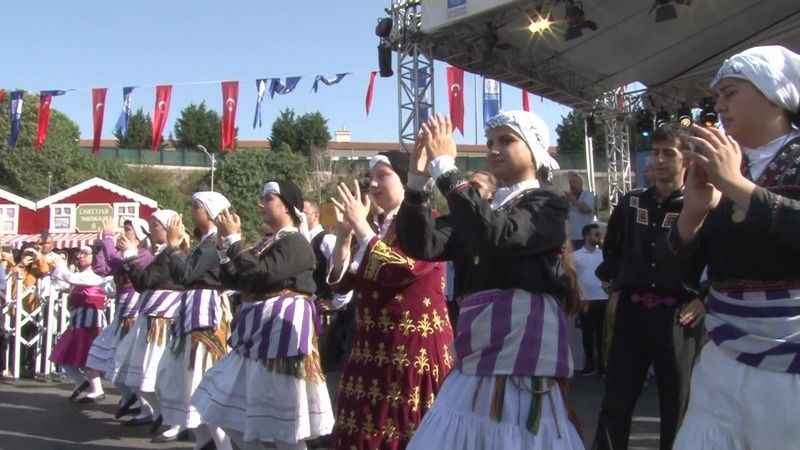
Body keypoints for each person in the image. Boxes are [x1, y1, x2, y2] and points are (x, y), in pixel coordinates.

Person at [397, 112, 583, 450]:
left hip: (520, 362)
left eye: (507, 140)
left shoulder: (547, 204)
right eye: (491, 142)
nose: (494, 149)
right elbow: (423, 243)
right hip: (477, 355)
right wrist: (417, 179)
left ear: (535, 150)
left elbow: (499, 236)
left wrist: (446, 169)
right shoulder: (484, 208)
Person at [671, 45, 800, 450]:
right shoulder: (726, 164)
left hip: (790, 365)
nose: (720, 107)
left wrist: (739, 188)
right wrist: (692, 214)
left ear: (773, 93)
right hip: (722, 355)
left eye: (730, 93)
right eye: (717, 97)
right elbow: (684, 274)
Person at [192, 179, 334, 450]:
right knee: (227, 408)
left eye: (268, 198)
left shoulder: (296, 242)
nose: (261, 204)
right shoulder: (268, 243)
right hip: (256, 334)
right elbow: (238, 279)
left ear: (288, 206)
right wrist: (226, 248)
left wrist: (234, 241)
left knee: (285, 423)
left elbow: (261, 273)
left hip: (281, 337)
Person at [328, 150, 454, 450]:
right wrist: (344, 237)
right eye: (369, 178)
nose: (372, 185)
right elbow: (344, 284)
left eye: (382, 176)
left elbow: (401, 269)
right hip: (371, 350)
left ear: (405, 180)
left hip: (410, 351)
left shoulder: (427, 223)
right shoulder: (377, 228)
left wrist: (361, 228)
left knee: (408, 432)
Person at [592, 126, 705, 450]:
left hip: (679, 316)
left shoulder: (699, 204)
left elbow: (718, 257)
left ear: (686, 158)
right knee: (616, 399)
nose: (658, 159)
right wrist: (614, 280)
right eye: (655, 152)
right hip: (632, 312)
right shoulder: (630, 202)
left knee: (677, 405)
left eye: (668, 152)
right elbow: (611, 248)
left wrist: (704, 298)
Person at [113, 209, 184, 430]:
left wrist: (132, 256)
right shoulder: (161, 253)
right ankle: (157, 412)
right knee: (135, 367)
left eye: (155, 226)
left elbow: (144, 281)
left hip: (162, 319)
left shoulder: (173, 254)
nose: (151, 230)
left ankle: (169, 417)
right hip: (149, 317)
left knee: (154, 370)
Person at [88, 217, 153, 419]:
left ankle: (146, 407)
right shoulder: (125, 253)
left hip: (134, 310)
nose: (124, 233)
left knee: (128, 360)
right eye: (123, 229)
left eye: (128, 229)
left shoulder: (144, 254)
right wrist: (101, 246)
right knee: (106, 356)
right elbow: (103, 269)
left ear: (140, 235)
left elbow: (118, 262)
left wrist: (108, 238)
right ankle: (130, 399)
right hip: (121, 310)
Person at [49, 246, 113, 403]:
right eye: (79, 254)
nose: (80, 256)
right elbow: (63, 284)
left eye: (85, 254)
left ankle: (97, 389)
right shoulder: (79, 276)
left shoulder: (96, 277)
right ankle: (81, 383)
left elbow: (70, 278)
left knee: (87, 355)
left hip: (91, 322)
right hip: (77, 320)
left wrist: (59, 264)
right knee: (63, 354)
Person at [573, 223, 607, 376]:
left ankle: (602, 365)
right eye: (596, 234)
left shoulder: (604, 255)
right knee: (587, 334)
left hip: (603, 299)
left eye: (599, 234)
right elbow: (572, 279)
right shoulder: (575, 256)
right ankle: (589, 364)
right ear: (586, 236)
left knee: (602, 335)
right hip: (585, 300)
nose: (598, 237)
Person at [566, 171, 595, 249]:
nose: (572, 185)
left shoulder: (588, 194)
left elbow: (586, 209)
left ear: (581, 184)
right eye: (570, 182)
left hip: (583, 237)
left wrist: (573, 200)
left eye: (574, 182)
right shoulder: (568, 198)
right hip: (570, 238)